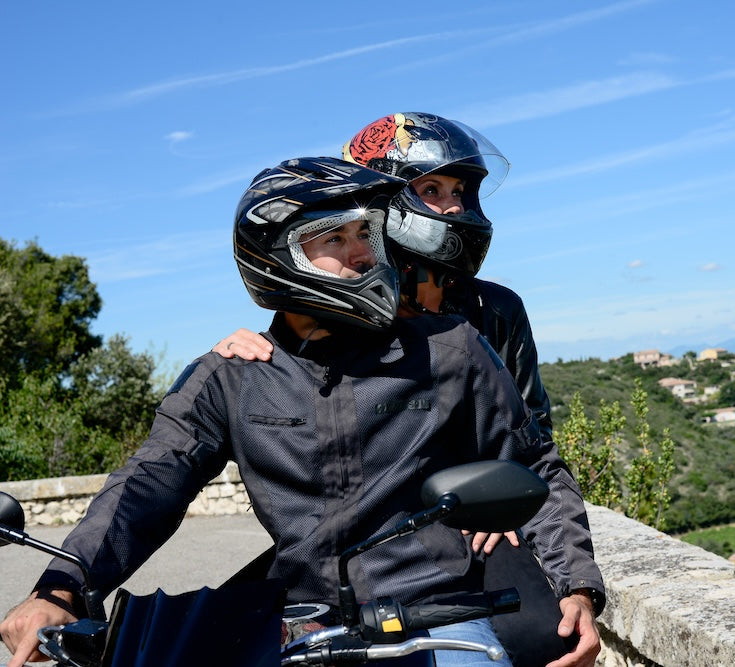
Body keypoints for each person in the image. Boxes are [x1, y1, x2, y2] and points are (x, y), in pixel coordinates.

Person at [0, 157, 602, 667]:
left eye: (366, 234)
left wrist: (576, 583)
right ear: (277, 257)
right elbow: (150, 482)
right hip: (301, 628)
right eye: (335, 239)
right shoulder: (235, 377)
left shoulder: (449, 349)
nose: (362, 253)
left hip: (436, 613)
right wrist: (64, 586)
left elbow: (533, 465)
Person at [214, 113, 603, 667]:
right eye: (430, 190)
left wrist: (506, 508)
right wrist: (252, 347)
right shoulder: (338, 301)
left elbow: (532, 441)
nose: (452, 207)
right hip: (363, 533)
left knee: (547, 637)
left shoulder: (495, 310)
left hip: (471, 519)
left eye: (459, 192)